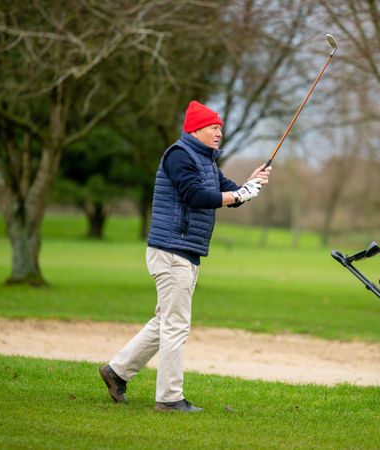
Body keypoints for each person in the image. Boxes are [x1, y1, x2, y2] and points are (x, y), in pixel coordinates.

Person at [99, 100, 271, 413]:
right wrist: (238, 194)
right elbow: (197, 196)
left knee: (165, 321)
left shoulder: (207, 161)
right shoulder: (179, 155)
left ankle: (117, 371)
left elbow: (230, 194)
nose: (219, 132)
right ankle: (169, 399)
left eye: (220, 127)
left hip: (186, 252)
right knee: (176, 326)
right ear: (194, 129)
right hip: (170, 250)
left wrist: (250, 184)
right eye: (212, 127)